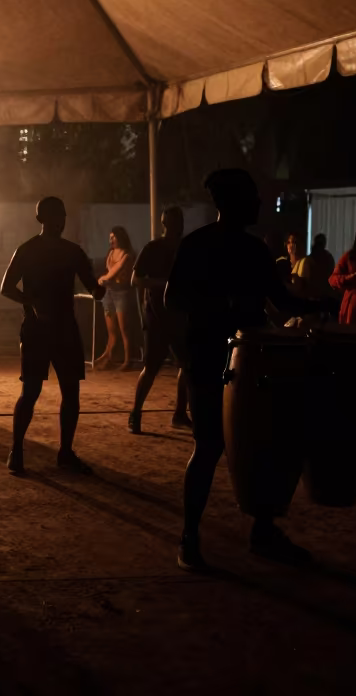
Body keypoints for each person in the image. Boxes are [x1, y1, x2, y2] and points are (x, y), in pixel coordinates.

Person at [165, 169, 319, 572]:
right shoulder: (201, 246)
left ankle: (258, 532)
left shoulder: (249, 248)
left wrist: (315, 306)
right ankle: (191, 536)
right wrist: (200, 336)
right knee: (211, 446)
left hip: (251, 359)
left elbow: (279, 300)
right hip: (218, 359)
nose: (259, 204)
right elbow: (174, 299)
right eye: (252, 197)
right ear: (232, 202)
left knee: (259, 446)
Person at [0, 197, 105, 475]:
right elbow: (6, 287)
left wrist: (98, 289)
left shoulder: (60, 251)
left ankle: (58, 452)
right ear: (43, 220)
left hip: (55, 328)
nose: (61, 221)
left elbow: (93, 284)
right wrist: (32, 302)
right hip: (44, 329)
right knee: (34, 390)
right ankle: (19, 450)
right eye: (56, 216)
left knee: (66, 391)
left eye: (62, 216)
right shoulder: (42, 250)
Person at [128, 206, 190, 433]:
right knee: (151, 367)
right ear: (166, 223)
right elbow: (135, 279)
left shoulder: (186, 249)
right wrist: (163, 283)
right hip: (156, 316)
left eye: (180, 220)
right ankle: (135, 413)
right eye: (175, 221)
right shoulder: (152, 248)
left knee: (186, 364)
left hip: (180, 316)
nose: (178, 226)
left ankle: (180, 413)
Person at [94, 226, 137, 371]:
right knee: (111, 330)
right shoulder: (111, 253)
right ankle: (109, 357)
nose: (110, 240)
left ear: (121, 238)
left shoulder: (127, 255)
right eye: (110, 237)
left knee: (124, 328)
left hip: (122, 293)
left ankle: (127, 360)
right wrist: (104, 280)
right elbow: (109, 272)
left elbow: (114, 272)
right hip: (109, 293)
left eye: (113, 237)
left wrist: (103, 278)